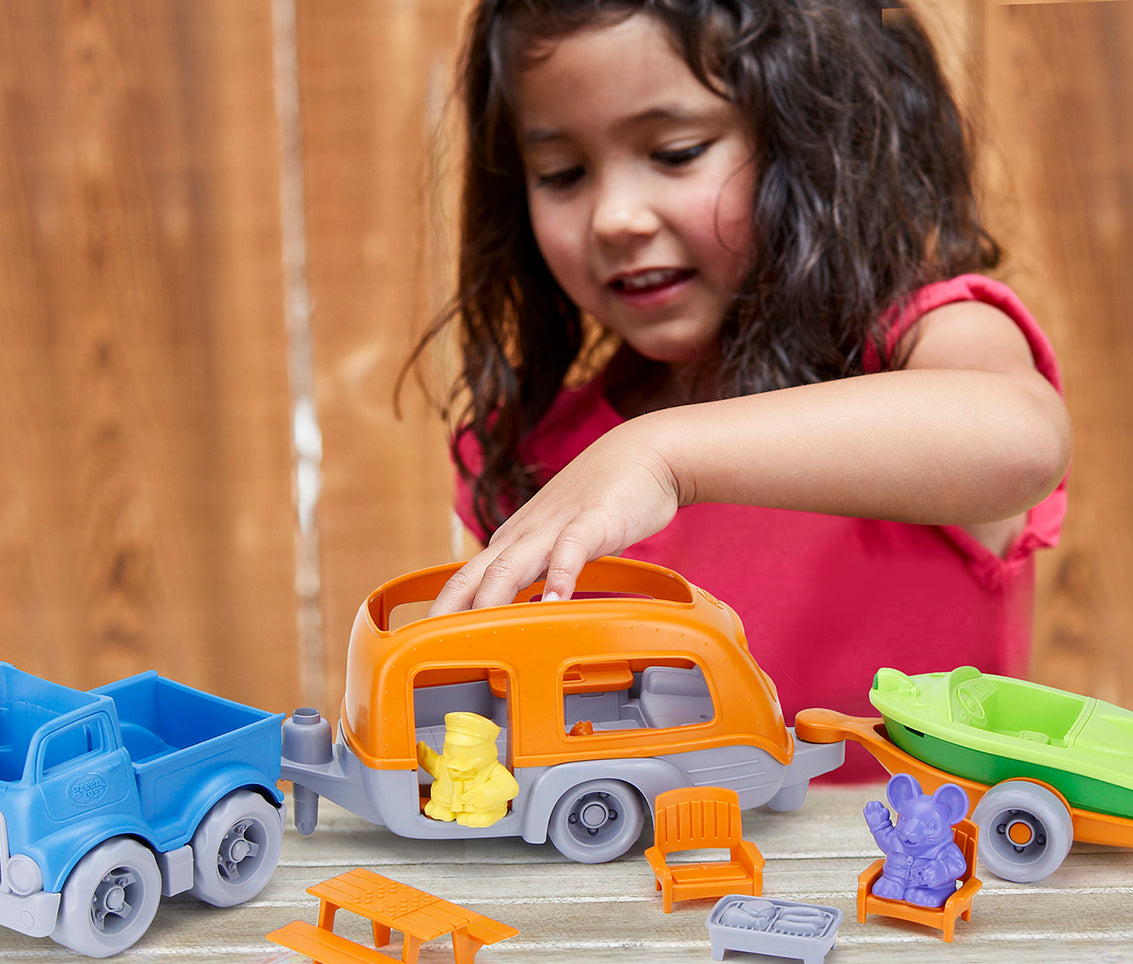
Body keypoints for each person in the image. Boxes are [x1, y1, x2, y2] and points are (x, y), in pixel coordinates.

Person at [404, 0, 1071, 780]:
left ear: (809, 136)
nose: (614, 217)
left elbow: (1023, 442)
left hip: (908, 852)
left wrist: (664, 455)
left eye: (676, 152)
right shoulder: (538, 449)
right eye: (561, 173)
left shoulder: (920, 347)